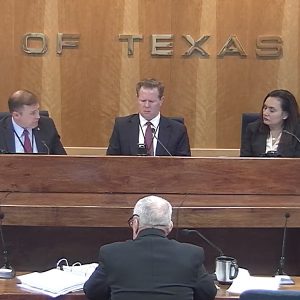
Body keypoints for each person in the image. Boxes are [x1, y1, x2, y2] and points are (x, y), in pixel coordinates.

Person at [84, 195, 217, 300]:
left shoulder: (111, 253)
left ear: (135, 223)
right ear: (169, 227)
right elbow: (208, 293)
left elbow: (92, 292)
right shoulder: (191, 254)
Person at [106, 78, 191, 156]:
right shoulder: (122, 127)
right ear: (137, 99)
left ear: (161, 101)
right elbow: (111, 161)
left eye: (151, 101)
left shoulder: (177, 130)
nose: (146, 105)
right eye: (143, 101)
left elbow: (184, 165)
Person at [0, 89, 66, 155]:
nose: (38, 116)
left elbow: (63, 160)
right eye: (33, 113)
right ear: (16, 115)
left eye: (37, 110)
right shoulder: (1, 131)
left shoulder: (47, 125)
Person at [240, 89, 300, 157]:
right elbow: (244, 161)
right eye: (265, 108)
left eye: (272, 110)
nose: (265, 113)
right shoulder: (253, 130)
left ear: (285, 115)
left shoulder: (296, 135)